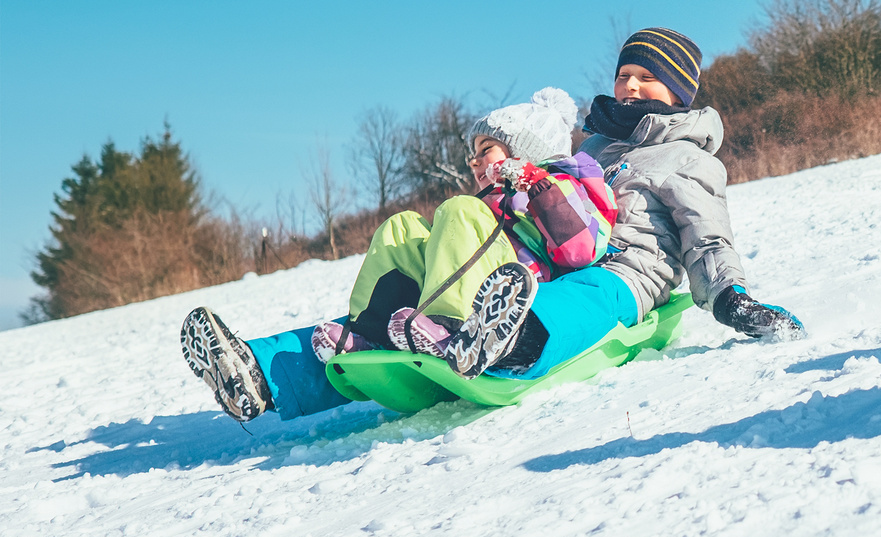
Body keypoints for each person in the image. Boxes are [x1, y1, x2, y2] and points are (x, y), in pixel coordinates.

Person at [181, 88, 633, 423]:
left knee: (457, 210)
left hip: (511, 302)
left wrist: (536, 184)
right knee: (403, 226)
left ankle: (457, 329)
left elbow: (582, 249)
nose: (474, 164)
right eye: (472, 155)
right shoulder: (486, 204)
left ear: (525, 150)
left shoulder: (567, 182)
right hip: (456, 292)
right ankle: (372, 330)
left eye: (485, 151)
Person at [579, 26, 803, 341]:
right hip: (563, 267)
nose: (629, 85)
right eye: (623, 76)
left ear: (677, 90)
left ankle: (521, 338)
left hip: (627, 276)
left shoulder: (685, 158)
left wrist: (730, 299)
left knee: (572, 303)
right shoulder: (591, 148)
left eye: (646, 78)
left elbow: (706, 238)